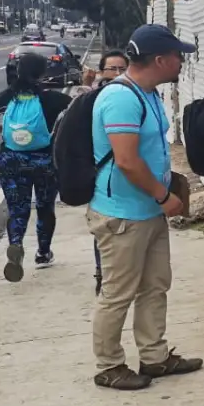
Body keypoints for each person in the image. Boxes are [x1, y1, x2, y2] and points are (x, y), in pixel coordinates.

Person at [88, 24, 202, 391]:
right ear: (159, 60)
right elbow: (127, 161)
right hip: (123, 214)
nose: (182, 62)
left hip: (147, 211)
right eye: (178, 56)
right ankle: (109, 365)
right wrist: (164, 196)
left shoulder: (148, 93)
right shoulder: (121, 98)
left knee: (155, 285)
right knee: (118, 293)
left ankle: (154, 357)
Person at [0, 53, 72, 281]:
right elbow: (79, 111)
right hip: (44, 161)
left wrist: (8, 130)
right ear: (43, 74)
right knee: (45, 207)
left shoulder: (7, 97)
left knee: (18, 209)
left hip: (11, 159)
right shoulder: (53, 99)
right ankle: (43, 254)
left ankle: (16, 244)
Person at [83, 49, 129, 293]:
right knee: (103, 230)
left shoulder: (133, 95)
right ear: (102, 71)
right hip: (100, 174)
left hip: (123, 182)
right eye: (113, 68)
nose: (119, 73)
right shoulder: (93, 97)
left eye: (123, 68)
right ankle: (102, 273)